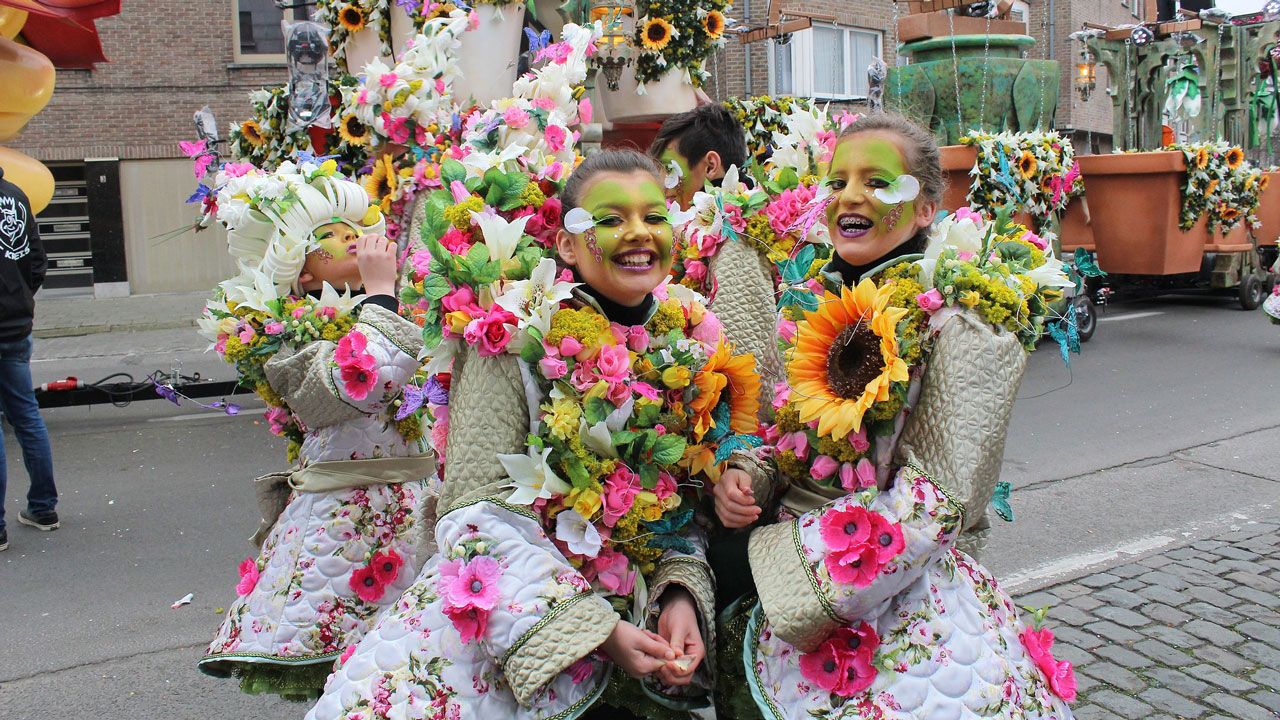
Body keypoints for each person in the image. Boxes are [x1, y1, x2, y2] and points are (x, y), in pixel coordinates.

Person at [307, 149, 761, 720]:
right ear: (566, 245)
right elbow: (472, 510)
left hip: (647, 638)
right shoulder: (510, 338)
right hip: (513, 627)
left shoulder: (690, 340)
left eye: (654, 216)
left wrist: (677, 594)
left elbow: (680, 511)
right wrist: (598, 631)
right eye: (610, 219)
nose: (638, 233)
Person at [708, 113, 1078, 719]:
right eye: (837, 181)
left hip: (888, 592)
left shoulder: (964, 322)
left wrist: (780, 575)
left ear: (927, 208)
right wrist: (747, 475)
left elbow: (937, 502)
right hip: (776, 586)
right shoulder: (818, 303)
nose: (850, 196)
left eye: (878, 183)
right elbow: (785, 433)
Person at [196, 159, 438, 700]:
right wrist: (380, 292)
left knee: (421, 668)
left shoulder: (389, 306)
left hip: (417, 508)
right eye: (330, 236)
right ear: (301, 271)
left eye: (356, 229)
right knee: (353, 678)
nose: (354, 240)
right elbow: (360, 385)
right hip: (345, 518)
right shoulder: (280, 336)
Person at [0, 166, 58, 552]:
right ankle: (43, 508)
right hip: (16, 326)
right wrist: (21, 299)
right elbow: (37, 261)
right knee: (27, 416)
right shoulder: (17, 195)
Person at [649, 104, 748, 210]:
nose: (660, 184)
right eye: (657, 169)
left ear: (710, 166)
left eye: (669, 169)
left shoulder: (759, 222)